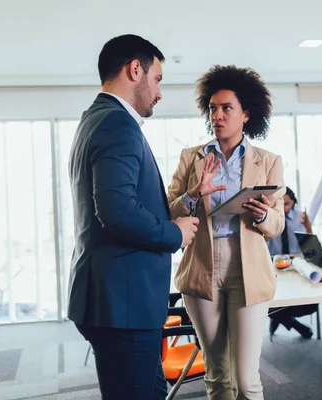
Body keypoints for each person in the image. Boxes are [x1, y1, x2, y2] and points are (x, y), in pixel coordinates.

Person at [68, 34, 199, 399]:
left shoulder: (93, 119)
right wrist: (175, 234)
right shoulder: (117, 125)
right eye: (157, 80)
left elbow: (125, 203)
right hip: (122, 304)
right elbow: (118, 211)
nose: (158, 93)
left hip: (113, 300)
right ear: (135, 69)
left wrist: (190, 198)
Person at [167, 65, 285, 400]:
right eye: (212, 108)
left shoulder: (269, 160)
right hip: (202, 264)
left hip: (247, 266)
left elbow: (277, 223)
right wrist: (194, 193)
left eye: (226, 108)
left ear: (246, 114)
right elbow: (167, 210)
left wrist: (264, 216)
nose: (217, 116)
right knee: (218, 375)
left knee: (246, 380)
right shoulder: (192, 158)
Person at [268, 187, 317, 339]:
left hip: (297, 264)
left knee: (308, 303)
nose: (283, 208)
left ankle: (279, 318)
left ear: (294, 202)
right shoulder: (269, 217)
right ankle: (294, 324)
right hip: (275, 264)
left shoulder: (301, 217)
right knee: (269, 302)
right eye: (280, 203)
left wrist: (308, 226)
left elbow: (310, 245)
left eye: (287, 204)